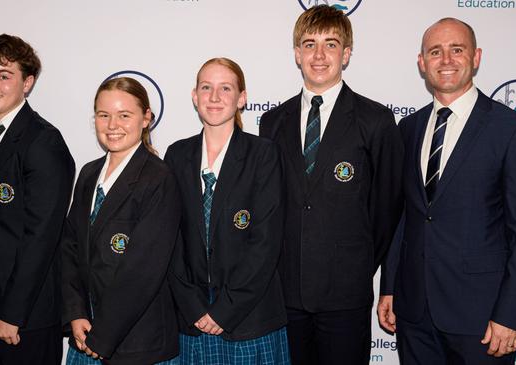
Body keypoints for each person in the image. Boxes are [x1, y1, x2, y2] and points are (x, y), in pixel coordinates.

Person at [378, 18, 516, 365]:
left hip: (482, 319)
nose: (446, 60)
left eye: (457, 50)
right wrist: (390, 287)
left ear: (476, 57)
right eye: (435, 52)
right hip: (414, 314)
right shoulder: (408, 128)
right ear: (422, 62)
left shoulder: (511, 130)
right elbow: (403, 217)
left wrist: (511, 315)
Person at [259, 5, 403, 364]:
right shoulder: (272, 122)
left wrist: (356, 263)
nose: (319, 55)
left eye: (331, 44)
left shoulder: (376, 120)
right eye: (309, 44)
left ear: (347, 53)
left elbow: (387, 210)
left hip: (345, 295)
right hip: (285, 294)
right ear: (297, 54)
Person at [0, 34, 75, 365]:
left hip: (26, 316)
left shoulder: (44, 142)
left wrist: (12, 313)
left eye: (4, 75)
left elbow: (41, 239)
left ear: (27, 83)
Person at [164, 58, 289, 364]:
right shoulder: (176, 154)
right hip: (191, 319)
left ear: (242, 98)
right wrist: (193, 306)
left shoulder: (263, 154)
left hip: (249, 318)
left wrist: (225, 309)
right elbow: (168, 240)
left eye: (226, 88)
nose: (215, 97)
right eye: (206, 88)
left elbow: (266, 242)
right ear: (195, 96)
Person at [61, 77, 181, 365]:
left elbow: (142, 271)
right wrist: (75, 314)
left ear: (146, 119)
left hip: (135, 343)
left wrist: (103, 336)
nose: (112, 125)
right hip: (84, 334)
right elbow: (69, 249)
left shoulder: (158, 178)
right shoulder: (88, 174)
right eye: (104, 115)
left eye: (124, 115)